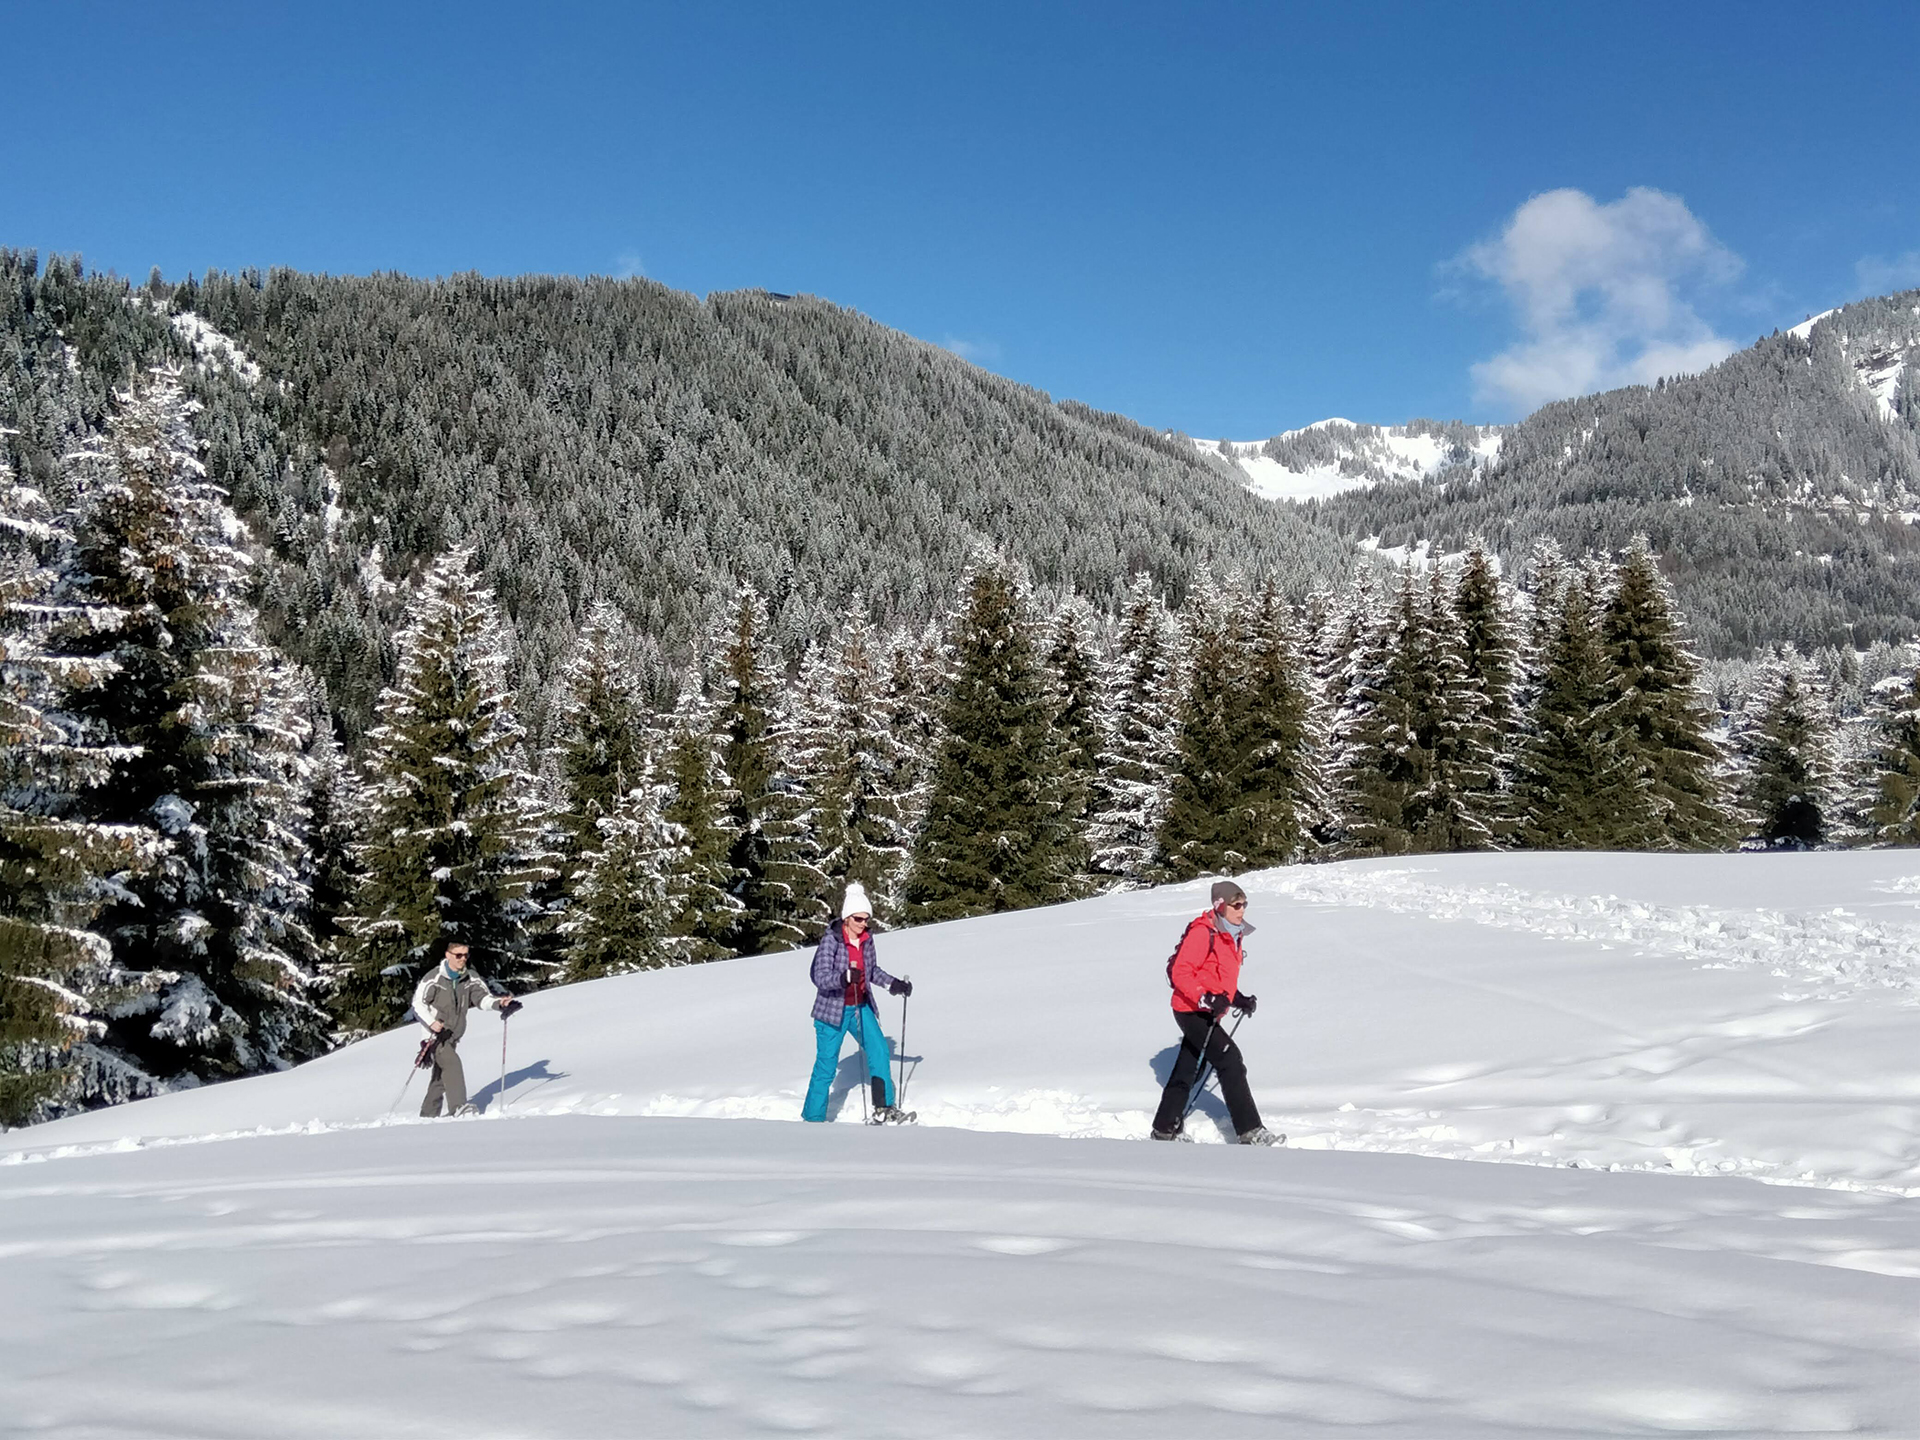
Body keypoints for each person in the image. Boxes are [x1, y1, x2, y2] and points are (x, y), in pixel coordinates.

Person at [1150, 881, 1282, 1145]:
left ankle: (1164, 1128)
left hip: (1207, 1010)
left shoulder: (1232, 934)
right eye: (1236, 904)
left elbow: (1218, 978)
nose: (1241, 909)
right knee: (1230, 1060)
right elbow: (1182, 973)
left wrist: (1238, 999)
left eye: (1244, 904)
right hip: (1190, 1009)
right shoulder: (1203, 932)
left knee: (1189, 1070)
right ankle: (1250, 1130)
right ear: (1220, 905)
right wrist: (1206, 997)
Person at [803, 881, 913, 1123]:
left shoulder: (867, 940)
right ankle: (812, 1119)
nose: (863, 924)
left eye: (866, 920)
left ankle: (884, 1108)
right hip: (832, 1012)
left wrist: (893, 984)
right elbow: (819, 977)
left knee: (879, 1050)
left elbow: (871, 971)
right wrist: (842, 978)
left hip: (860, 1007)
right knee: (826, 1065)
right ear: (846, 918)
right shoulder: (831, 940)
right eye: (858, 919)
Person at [411, 940, 518, 1117]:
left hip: (453, 1035)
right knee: (452, 1063)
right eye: (458, 955)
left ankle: (427, 1116)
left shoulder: (470, 978)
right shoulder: (434, 978)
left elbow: (482, 999)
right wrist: (432, 1023)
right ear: (448, 955)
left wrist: (500, 1004)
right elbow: (417, 1004)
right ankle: (459, 1107)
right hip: (435, 1036)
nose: (462, 959)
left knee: (441, 1077)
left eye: (465, 955)